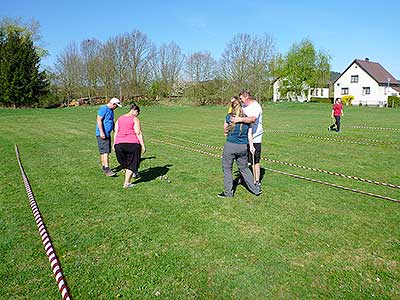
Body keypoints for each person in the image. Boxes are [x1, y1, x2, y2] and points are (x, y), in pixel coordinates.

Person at [218, 97, 262, 198]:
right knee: (244, 168)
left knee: (227, 169)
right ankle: (256, 189)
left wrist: (226, 132)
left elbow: (225, 128)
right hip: (243, 148)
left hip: (230, 147)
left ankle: (228, 193)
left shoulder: (229, 117)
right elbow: (250, 134)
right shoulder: (247, 118)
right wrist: (251, 146)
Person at [231, 89, 263, 186]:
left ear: (246, 97)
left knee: (255, 160)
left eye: (241, 99)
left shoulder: (255, 107)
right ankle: (243, 177)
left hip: (255, 137)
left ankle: (257, 181)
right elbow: (235, 108)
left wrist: (239, 119)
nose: (241, 101)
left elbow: (253, 119)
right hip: (244, 137)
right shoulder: (243, 105)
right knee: (242, 159)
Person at [113, 104, 146, 188]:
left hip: (119, 144)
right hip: (132, 144)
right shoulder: (135, 119)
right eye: (138, 112)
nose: (138, 114)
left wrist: (114, 143)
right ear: (134, 110)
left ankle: (133, 173)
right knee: (131, 164)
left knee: (127, 163)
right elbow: (138, 132)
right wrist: (143, 145)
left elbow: (116, 131)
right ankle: (126, 183)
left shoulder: (120, 118)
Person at [96, 97, 121, 176]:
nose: (116, 108)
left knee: (105, 151)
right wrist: (101, 132)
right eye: (116, 106)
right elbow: (99, 120)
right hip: (102, 134)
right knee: (105, 151)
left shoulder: (111, 111)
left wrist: (114, 129)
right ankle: (107, 169)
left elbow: (111, 120)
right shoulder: (103, 108)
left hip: (107, 134)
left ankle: (104, 167)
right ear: (113, 104)